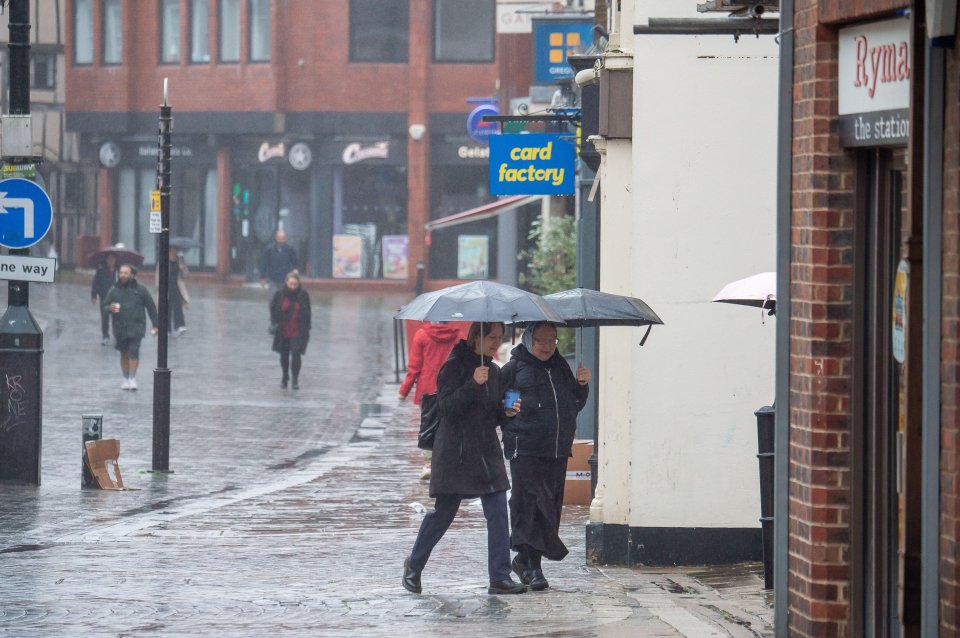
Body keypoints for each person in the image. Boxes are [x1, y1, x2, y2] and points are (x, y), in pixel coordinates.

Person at [402, 322, 527, 596]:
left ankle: (499, 576)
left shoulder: (494, 371)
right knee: (443, 515)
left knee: (497, 512)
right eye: (491, 337)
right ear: (475, 338)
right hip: (455, 455)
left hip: (486, 453)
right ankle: (414, 564)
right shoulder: (454, 366)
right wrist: (472, 383)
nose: (496, 343)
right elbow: (447, 408)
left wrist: (507, 413)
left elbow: (493, 414)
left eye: (500, 338)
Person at [499, 322, 591, 591]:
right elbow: (496, 403)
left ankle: (526, 562)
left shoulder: (560, 367)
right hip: (525, 448)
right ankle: (532, 566)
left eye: (552, 341)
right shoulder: (514, 368)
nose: (547, 346)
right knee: (530, 504)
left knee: (549, 506)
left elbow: (573, 404)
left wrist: (582, 386)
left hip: (557, 449)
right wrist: (505, 411)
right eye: (541, 340)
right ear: (529, 340)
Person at [398, 322, 462, 481]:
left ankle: (428, 464)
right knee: (449, 427)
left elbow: (414, 367)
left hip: (427, 389)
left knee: (428, 426)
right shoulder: (459, 337)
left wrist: (403, 391)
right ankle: (446, 464)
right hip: (451, 388)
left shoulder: (422, 335)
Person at [102, 264, 159, 391]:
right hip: (120, 327)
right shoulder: (114, 290)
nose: (122, 275)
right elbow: (104, 306)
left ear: (132, 275)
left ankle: (132, 378)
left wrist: (156, 324)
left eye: (125, 273)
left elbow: (151, 307)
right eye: (121, 272)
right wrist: (109, 308)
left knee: (134, 351)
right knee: (124, 353)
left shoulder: (141, 290)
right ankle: (125, 378)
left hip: (136, 327)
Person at [269, 270, 311, 389]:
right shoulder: (279, 294)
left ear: (298, 284)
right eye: (291, 284)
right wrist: (274, 323)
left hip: (298, 330)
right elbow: (273, 310)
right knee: (284, 356)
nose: (293, 286)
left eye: (295, 284)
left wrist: (307, 329)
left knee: (296, 354)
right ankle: (285, 376)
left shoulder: (303, 295)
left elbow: (308, 313)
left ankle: (295, 379)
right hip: (283, 330)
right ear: (286, 282)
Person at [157, 246, 190, 336]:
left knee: (177, 306)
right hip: (166, 287)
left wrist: (182, 268)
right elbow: (158, 275)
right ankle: (166, 329)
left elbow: (186, 274)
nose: (173, 252)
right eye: (172, 250)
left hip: (177, 287)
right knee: (167, 308)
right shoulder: (164, 261)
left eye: (175, 250)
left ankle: (180, 326)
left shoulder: (180, 261)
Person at [91, 253, 118, 345]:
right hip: (105, 298)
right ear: (106, 260)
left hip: (116, 298)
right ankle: (105, 336)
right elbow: (96, 282)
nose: (111, 261)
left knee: (116, 317)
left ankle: (117, 335)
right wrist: (94, 295)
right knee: (105, 318)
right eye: (109, 259)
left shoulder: (119, 270)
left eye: (113, 259)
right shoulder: (101, 269)